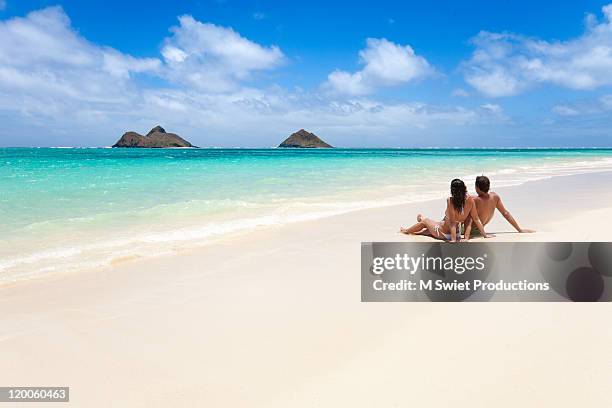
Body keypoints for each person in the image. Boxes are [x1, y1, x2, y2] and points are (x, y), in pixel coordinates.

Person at [400, 179, 489, 242]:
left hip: (443, 232)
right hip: (456, 234)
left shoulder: (450, 200)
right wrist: (485, 235)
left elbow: (452, 222)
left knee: (425, 222)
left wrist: (453, 240)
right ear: (464, 188)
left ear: (452, 190)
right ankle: (423, 225)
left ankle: (406, 230)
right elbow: (476, 219)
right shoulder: (470, 200)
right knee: (427, 230)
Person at [463, 175, 534, 239]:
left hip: (469, 230)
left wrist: (466, 236)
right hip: (479, 230)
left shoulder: (474, 200)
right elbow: (505, 213)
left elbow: (468, 219)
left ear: (477, 187)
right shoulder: (495, 197)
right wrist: (519, 229)